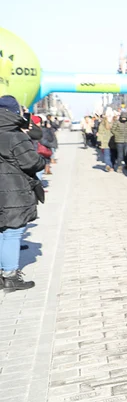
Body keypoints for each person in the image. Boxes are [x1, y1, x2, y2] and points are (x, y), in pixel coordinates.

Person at [0, 97, 45, 293]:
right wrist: (41, 161)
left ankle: (3, 274)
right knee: (13, 231)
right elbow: (31, 162)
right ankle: (10, 276)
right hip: (13, 192)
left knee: (2, 231)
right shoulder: (14, 136)